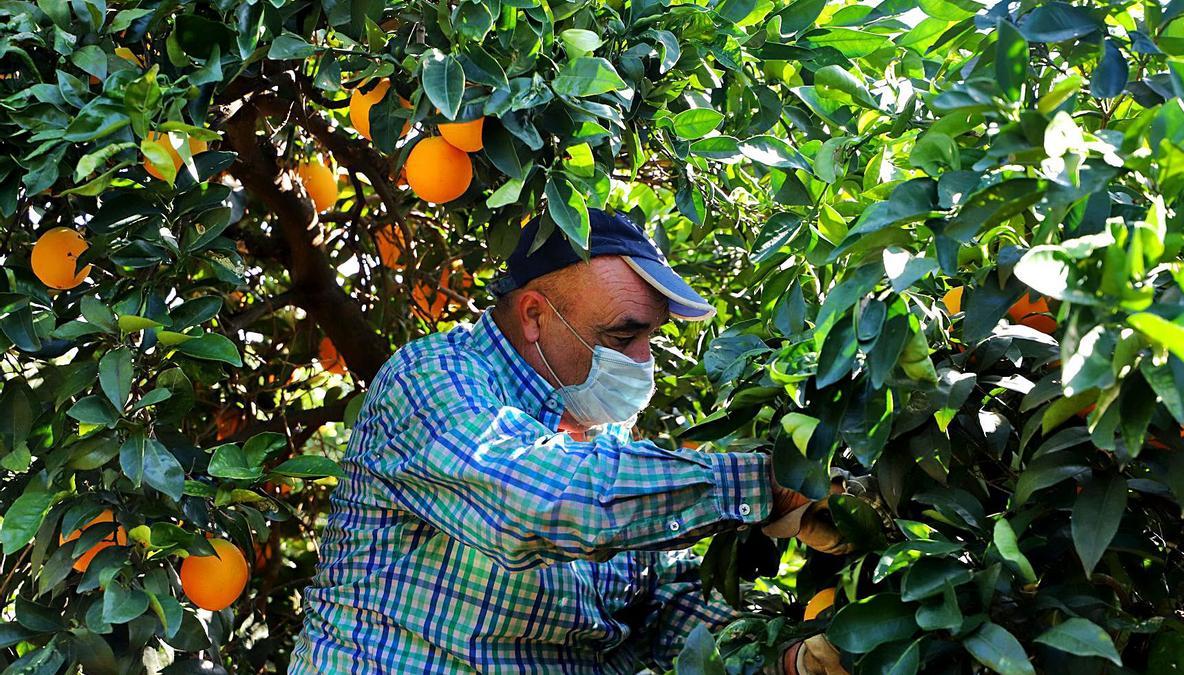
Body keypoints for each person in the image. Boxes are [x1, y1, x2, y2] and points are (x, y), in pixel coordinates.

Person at [288, 208, 809, 674]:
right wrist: (765, 483)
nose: (642, 360)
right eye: (622, 338)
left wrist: (783, 657)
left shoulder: (603, 434)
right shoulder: (432, 379)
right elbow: (533, 499)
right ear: (535, 316)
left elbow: (658, 602)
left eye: (651, 336)